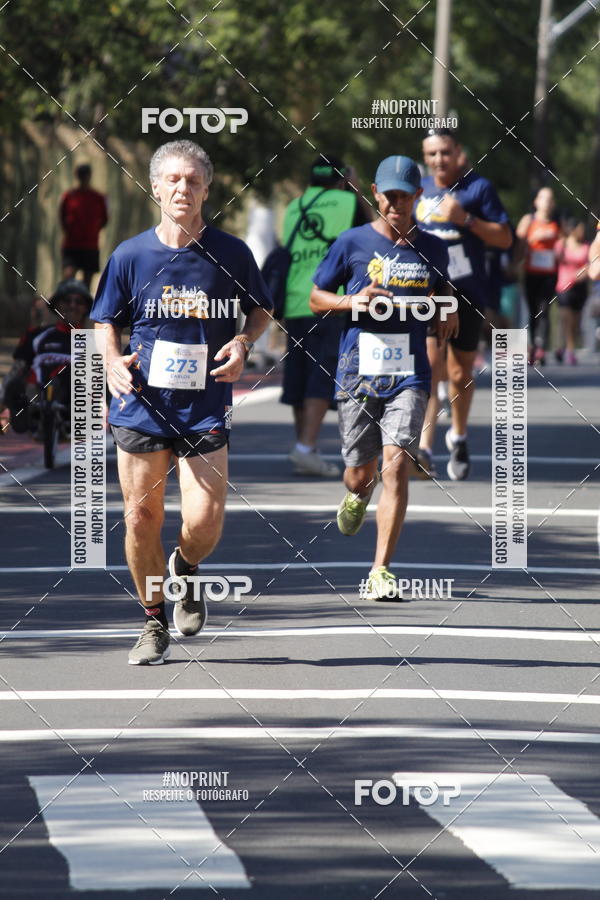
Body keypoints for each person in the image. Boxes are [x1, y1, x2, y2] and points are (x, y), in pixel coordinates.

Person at [92, 140, 273, 666]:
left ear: (206, 190)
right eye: (173, 179)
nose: (182, 189)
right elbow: (104, 321)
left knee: (205, 522)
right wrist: (110, 360)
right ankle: (152, 622)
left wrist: (243, 343)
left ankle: (186, 568)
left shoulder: (231, 253)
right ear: (155, 187)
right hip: (141, 404)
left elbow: (261, 310)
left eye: (193, 181)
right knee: (140, 518)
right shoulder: (130, 255)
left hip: (204, 406)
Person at [310, 155, 457, 600]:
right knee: (361, 473)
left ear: (418, 197)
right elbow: (316, 297)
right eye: (388, 195)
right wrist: (351, 302)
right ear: (374, 194)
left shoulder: (433, 248)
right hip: (358, 370)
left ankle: (380, 570)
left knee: (395, 463)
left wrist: (448, 309)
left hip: (410, 373)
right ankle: (356, 494)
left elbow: (443, 289)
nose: (395, 204)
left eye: (404, 196)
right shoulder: (352, 242)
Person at [414, 128, 512, 481]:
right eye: (432, 154)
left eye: (445, 152)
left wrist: (466, 220)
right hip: (429, 293)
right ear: (425, 157)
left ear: (458, 151)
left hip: (468, 293)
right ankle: (424, 448)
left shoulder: (478, 189)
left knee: (459, 373)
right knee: (429, 367)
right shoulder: (419, 189)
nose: (439, 160)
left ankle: (458, 435)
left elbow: (505, 238)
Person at [282, 154, 370, 477]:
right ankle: (306, 448)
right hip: (330, 300)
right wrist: (356, 189)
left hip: (294, 301)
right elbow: (372, 233)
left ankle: (305, 448)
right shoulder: (347, 202)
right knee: (322, 377)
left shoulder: (294, 207)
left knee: (300, 377)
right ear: (342, 178)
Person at [1, 279, 91, 435]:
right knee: (15, 383)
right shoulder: (37, 336)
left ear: (86, 308)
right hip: (37, 397)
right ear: (57, 305)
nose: (73, 305)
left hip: (76, 404)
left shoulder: (94, 341)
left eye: (79, 302)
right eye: (67, 300)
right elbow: (16, 370)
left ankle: (70, 421)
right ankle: (28, 417)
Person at [516, 187, 562, 366]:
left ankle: (541, 346)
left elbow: (564, 242)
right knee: (532, 309)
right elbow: (518, 243)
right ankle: (532, 346)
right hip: (531, 272)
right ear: (536, 201)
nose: (547, 203)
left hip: (549, 274)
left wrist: (560, 249)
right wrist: (533, 239)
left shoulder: (557, 222)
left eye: (550, 199)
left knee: (544, 308)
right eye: (544, 198)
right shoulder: (529, 220)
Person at [60, 163, 109, 288]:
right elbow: (62, 216)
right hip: (72, 245)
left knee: (87, 284)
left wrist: (93, 231)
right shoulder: (68, 197)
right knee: (68, 281)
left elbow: (104, 219)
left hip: (90, 246)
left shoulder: (99, 198)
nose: (84, 178)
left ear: (89, 176)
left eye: (85, 175)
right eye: (81, 175)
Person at [554, 220, 589, 364]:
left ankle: (563, 347)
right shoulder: (561, 244)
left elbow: (589, 265)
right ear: (573, 230)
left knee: (575, 322)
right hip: (564, 287)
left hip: (580, 288)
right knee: (566, 320)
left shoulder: (586, 246)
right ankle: (570, 350)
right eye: (580, 229)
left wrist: (582, 273)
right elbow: (555, 259)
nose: (582, 232)